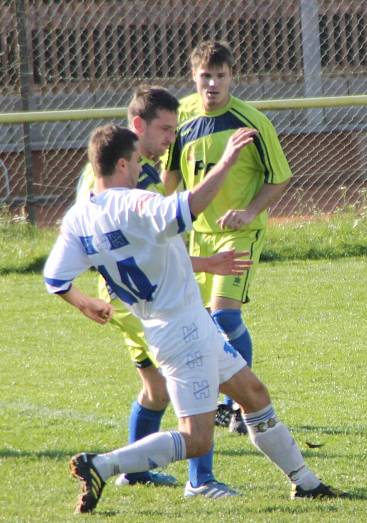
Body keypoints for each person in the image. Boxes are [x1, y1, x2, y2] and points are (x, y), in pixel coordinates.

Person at [45, 125, 344, 514]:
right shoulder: (133, 203)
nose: (141, 167)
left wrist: (83, 301)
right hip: (182, 330)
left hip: (174, 325)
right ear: (121, 163)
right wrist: (226, 163)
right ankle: (102, 464)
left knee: (254, 395)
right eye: (136, 160)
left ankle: (306, 483)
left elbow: (56, 278)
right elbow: (188, 207)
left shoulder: (78, 218)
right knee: (197, 439)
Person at [76, 86, 252, 497]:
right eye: (165, 130)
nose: (171, 139)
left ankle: (133, 473)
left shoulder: (99, 167)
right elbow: (152, 249)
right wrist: (207, 264)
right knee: (198, 374)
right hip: (142, 300)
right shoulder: (138, 178)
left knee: (155, 391)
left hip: (120, 294)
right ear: (138, 126)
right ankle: (201, 480)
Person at [163, 41, 291, 434]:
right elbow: (170, 179)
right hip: (198, 239)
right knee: (201, 323)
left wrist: (251, 211)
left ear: (233, 76)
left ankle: (240, 405)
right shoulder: (181, 117)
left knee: (224, 315)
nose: (213, 83)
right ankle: (224, 401)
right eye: (206, 76)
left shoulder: (250, 122)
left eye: (221, 76)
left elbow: (280, 177)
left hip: (240, 234)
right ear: (194, 77)